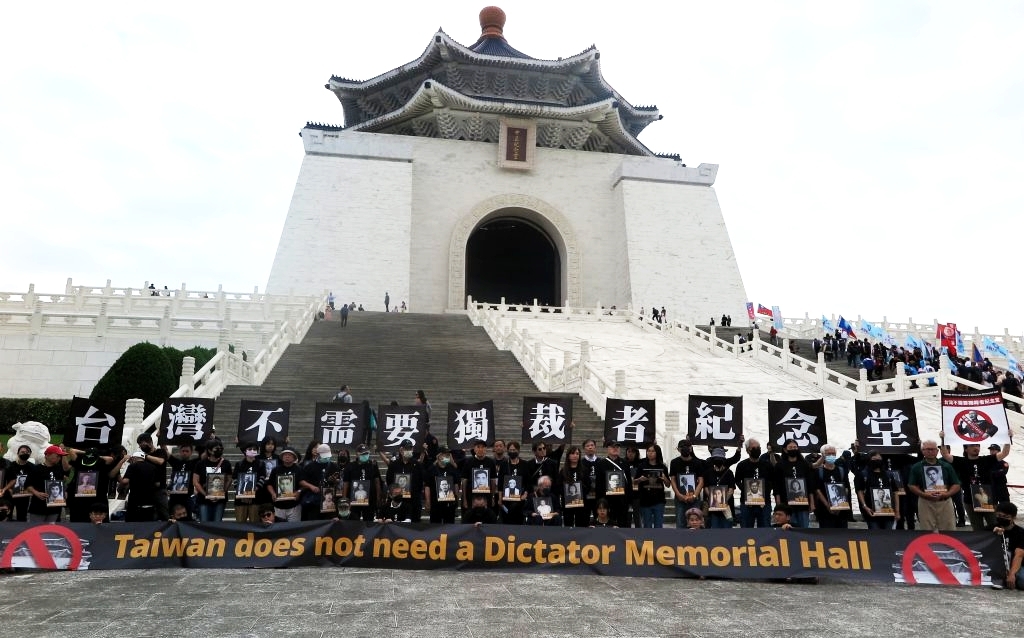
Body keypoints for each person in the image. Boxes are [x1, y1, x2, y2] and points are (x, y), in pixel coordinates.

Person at [940, 436, 1011, 531]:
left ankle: (998, 540)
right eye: (972, 445)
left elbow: (1004, 453)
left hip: (987, 499)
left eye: (977, 445)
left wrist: (1007, 438)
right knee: (977, 529)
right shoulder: (961, 461)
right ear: (966, 449)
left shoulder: (987, 459)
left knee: (995, 526)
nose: (976, 447)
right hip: (970, 500)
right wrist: (943, 439)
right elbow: (945, 454)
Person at [908, 439, 960, 531]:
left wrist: (947, 494)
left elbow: (956, 484)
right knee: (927, 530)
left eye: (933, 449)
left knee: (949, 529)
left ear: (937, 451)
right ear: (922, 451)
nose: (930, 451)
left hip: (945, 501)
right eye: (927, 449)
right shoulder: (916, 467)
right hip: (925, 501)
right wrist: (924, 494)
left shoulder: (946, 466)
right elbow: (911, 485)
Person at [855, 450, 900, 529]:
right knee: (875, 533)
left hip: (888, 512)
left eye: (879, 459)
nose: (877, 461)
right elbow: (860, 491)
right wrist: (865, 506)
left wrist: (897, 511)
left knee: (889, 534)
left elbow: (895, 492)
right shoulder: (863, 474)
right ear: (869, 460)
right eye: (874, 459)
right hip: (872, 512)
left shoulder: (888, 475)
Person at [773, 439, 813, 528]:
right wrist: (778, 504)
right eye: (790, 447)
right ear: (785, 449)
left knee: (804, 529)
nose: (793, 449)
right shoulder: (779, 465)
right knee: (790, 530)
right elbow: (776, 486)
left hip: (803, 504)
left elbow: (810, 485)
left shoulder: (804, 464)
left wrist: (812, 503)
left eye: (795, 447)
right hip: (786, 505)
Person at [27, 444, 72, 523]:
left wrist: (64, 491)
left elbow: (61, 482)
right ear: (47, 455)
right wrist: (36, 493)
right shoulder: (36, 469)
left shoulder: (59, 469)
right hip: (39, 506)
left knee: (51, 528)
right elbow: (27, 484)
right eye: (57, 456)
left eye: (60, 456)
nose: (59, 458)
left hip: (55, 507)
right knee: (37, 528)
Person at [193, 438, 232, 523]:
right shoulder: (200, 464)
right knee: (204, 522)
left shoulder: (226, 463)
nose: (219, 450)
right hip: (203, 499)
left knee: (217, 523)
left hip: (220, 499)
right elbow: (195, 481)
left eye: (221, 448)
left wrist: (223, 492)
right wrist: (206, 494)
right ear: (209, 450)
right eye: (216, 449)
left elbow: (229, 479)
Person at [669, 438, 705, 529]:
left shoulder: (697, 462)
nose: (685, 449)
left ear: (691, 448)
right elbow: (673, 480)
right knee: (680, 522)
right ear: (678, 449)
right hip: (680, 498)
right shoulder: (674, 462)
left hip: (694, 499)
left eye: (687, 447)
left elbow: (701, 481)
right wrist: (678, 495)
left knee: (696, 523)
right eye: (682, 447)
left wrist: (694, 495)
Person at [385, 441, 424, 523]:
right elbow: (389, 481)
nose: (409, 451)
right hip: (398, 501)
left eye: (410, 448)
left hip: (414, 501)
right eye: (407, 449)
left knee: (415, 524)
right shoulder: (394, 465)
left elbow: (421, 481)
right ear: (401, 450)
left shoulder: (417, 465)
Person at [635, 444, 670, 528]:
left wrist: (665, 478)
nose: (650, 453)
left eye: (653, 451)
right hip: (645, 500)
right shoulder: (641, 466)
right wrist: (640, 479)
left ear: (657, 452)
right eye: (648, 451)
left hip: (659, 500)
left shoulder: (662, 466)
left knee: (658, 525)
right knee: (647, 525)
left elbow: (668, 485)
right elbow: (634, 482)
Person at [991, 502, 1024, 590]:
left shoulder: (1021, 533)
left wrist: (1012, 574)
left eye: (1006, 517)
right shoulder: (990, 529)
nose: (1002, 518)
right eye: (999, 515)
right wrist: (992, 536)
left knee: (1022, 581)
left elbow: (1019, 555)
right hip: (996, 563)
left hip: (1016, 564)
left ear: (1013, 518)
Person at [120, 449, 159, 522]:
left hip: (135, 500)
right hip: (150, 499)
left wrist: (118, 477)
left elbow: (125, 481)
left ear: (134, 458)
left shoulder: (132, 466)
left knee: (132, 523)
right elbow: (157, 484)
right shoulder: (153, 467)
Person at [425, 446, 460, 524]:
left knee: (449, 526)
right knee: (435, 526)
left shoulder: (452, 468)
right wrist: (427, 501)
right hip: (435, 504)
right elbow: (427, 486)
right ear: (439, 456)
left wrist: (457, 498)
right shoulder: (432, 469)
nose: (447, 457)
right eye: (445, 455)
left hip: (449, 503)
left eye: (448, 455)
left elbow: (456, 484)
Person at [268, 448, 303, 522]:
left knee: (294, 527)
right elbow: (269, 484)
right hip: (278, 505)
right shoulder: (275, 469)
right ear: (282, 457)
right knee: (280, 527)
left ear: (294, 458)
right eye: (285, 455)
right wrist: (273, 493)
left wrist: (299, 491)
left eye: (290, 455)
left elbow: (304, 485)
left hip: (294, 505)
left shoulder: (299, 469)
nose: (287, 456)